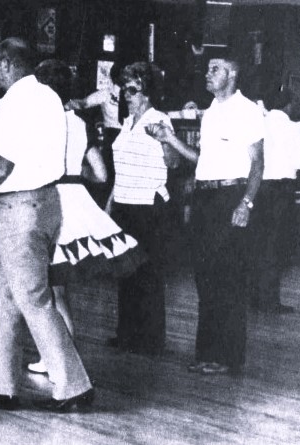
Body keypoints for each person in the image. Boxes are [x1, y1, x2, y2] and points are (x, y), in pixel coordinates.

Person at [0, 59, 144, 376]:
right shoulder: (78, 122)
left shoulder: (40, 117)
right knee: (55, 292)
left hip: (46, 201)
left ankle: (63, 365)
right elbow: (100, 174)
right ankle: (61, 361)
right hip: (75, 198)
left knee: (45, 293)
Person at [0, 38, 94, 412]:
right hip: (44, 204)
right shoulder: (46, 97)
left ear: (7, 63)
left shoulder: (17, 102)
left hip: (18, 208)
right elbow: (4, 148)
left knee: (32, 297)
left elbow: (1, 166)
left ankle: (74, 386)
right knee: (8, 299)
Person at [152, 53, 264, 375]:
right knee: (204, 274)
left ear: (232, 74)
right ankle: (208, 353)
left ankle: (227, 357)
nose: (207, 73)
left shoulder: (248, 111)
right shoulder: (211, 112)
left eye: (215, 69)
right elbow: (200, 160)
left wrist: (246, 203)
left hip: (232, 195)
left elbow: (257, 163)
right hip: (205, 196)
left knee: (226, 276)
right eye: (207, 68)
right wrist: (169, 138)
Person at [106, 61, 181, 356]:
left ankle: (150, 338)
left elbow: (173, 163)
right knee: (126, 272)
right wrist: (110, 202)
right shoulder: (126, 123)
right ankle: (127, 333)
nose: (127, 94)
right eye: (124, 88)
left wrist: (163, 140)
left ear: (147, 92)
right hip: (124, 202)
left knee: (148, 274)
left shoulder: (159, 119)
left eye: (133, 88)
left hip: (149, 206)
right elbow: (120, 169)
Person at [248, 87, 300, 313]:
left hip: (260, 188)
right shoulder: (290, 126)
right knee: (275, 246)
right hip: (281, 191)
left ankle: (255, 298)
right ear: (289, 105)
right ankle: (270, 301)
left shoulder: (261, 122)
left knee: (259, 243)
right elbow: (299, 159)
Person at [66, 62, 123, 207]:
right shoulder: (111, 93)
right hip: (118, 136)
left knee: (111, 177)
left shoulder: (107, 93)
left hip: (114, 137)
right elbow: (83, 103)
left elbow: (83, 103)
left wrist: (66, 102)